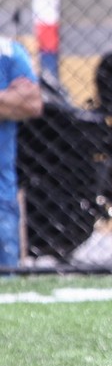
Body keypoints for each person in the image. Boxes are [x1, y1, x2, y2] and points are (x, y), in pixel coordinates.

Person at [0, 36, 43, 268]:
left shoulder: (7, 51)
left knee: (5, 292)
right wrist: (8, 98)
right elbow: (18, 101)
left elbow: (32, 103)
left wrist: (18, 101)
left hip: (1, 196)